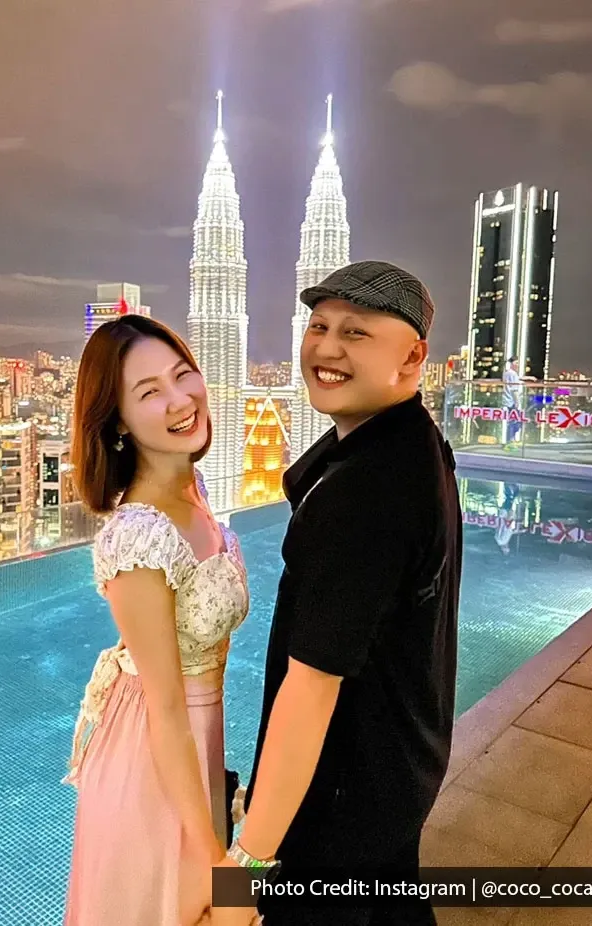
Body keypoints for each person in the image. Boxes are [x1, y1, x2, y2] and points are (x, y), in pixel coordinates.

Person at [214, 261, 462, 926]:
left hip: (342, 794)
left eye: (356, 333)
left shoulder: (366, 492)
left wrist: (252, 863)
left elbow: (312, 686)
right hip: (399, 766)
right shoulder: (415, 446)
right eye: (319, 325)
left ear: (412, 357)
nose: (326, 348)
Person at [63, 315, 252, 926]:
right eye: (149, 392)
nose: (180, 400)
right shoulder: (138, 535)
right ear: (117, 420)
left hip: (193, 741)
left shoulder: (191, 485)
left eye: (181, 375)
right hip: (153, 760)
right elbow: (164, 708)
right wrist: (215, 860)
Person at [502, 357, 522, 448]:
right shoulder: (513, 374)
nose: (517, 365)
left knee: (512, 421)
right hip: (512, 401)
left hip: (507, 400)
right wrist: (517, 402)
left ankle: (511, 440)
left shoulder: (507, 373)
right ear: (512, 364)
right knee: (515, 422)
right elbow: (514, 389)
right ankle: (510, 441)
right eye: (516, 363)